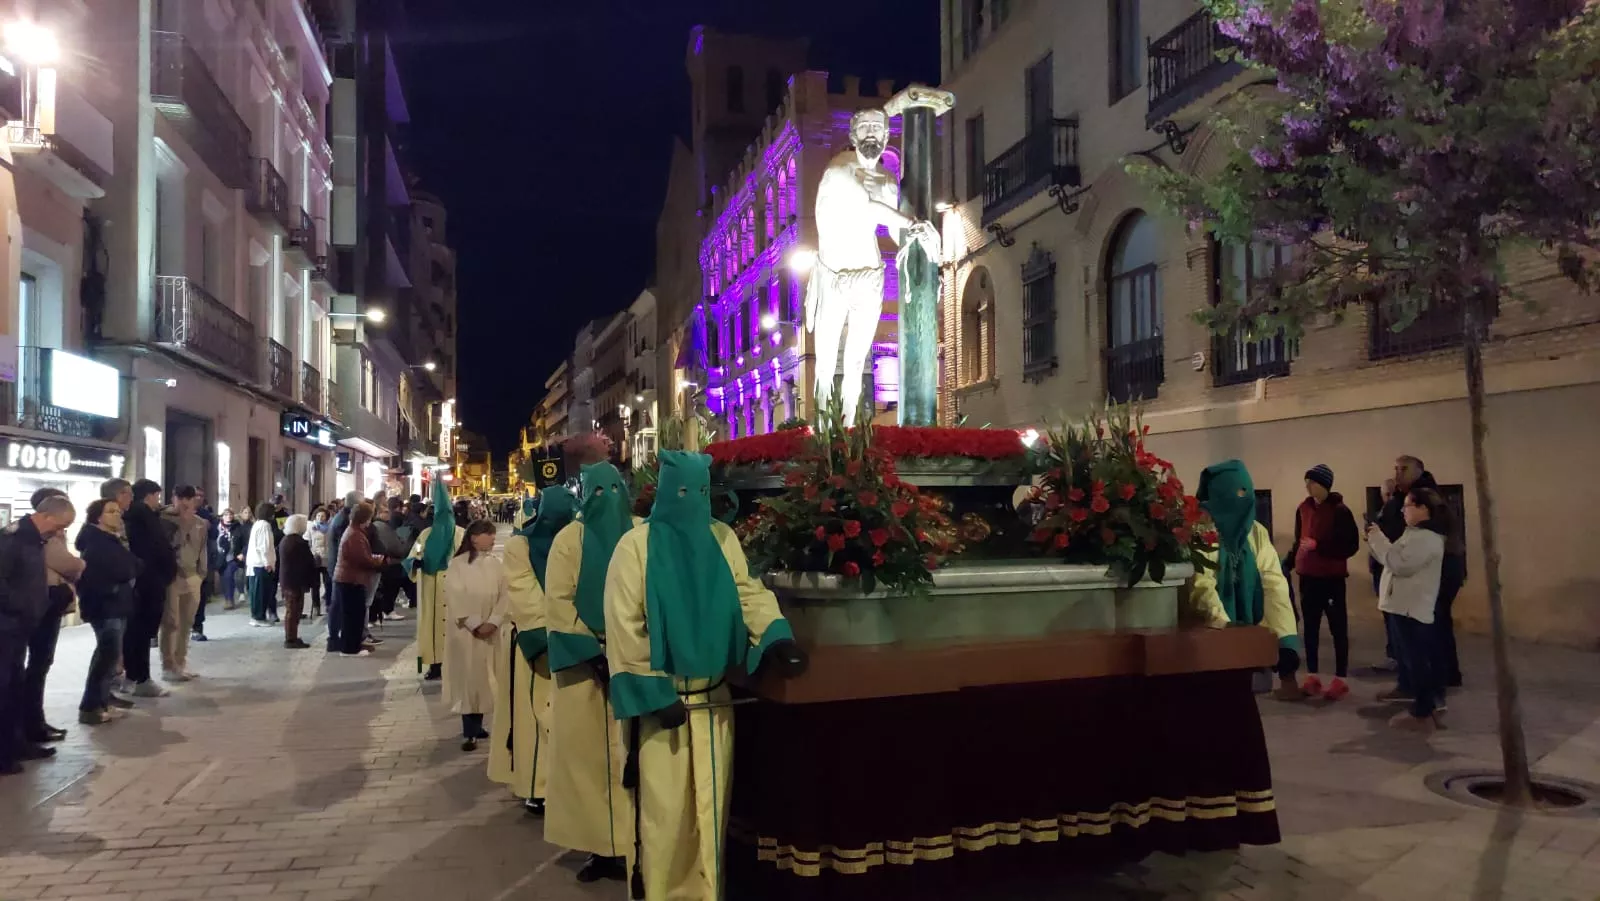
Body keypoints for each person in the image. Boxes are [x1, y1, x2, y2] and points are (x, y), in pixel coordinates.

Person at [603, 452, 807, 898]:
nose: (692, 500)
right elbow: (624, 625)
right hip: (664, 710)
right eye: (683, 491)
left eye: (699, 491)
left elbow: (746, 591)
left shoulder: (722, 537)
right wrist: (654, 693)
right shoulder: (635, 547)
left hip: (713, 704)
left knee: (711, 811)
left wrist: (775, 636)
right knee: (665, 817)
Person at [806, 107, 940, 425]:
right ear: (853, 135)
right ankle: (822, 429)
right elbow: (867, 209)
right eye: (864, 126)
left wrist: (918, 240)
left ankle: (849, 427)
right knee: (825, 361)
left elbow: (893, 232)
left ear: (886, 135)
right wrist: (913, 223)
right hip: (833, 276)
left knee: (856, 360)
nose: (871, 132)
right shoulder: (838, 170)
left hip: (869, 278)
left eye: (877, 127)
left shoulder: (887, 181)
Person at [544, 462, 636, 884]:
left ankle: (635, 842)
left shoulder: (639, 532)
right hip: (585, 669)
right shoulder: (570, 539)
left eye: (614, 489)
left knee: (631, 757)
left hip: (634, 661)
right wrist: (591, 652)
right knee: (589, 761)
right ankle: (600, 847)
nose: (607, 499)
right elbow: (559, 600)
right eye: (599, 491)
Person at [490, 489, 576, 816]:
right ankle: (537, 786)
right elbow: (524, 595)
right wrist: (549, 636)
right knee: (534, 718)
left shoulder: (576, 541)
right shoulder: (520, 546)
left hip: (573, 643)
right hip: (538, 644)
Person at [1186, 460, 1303, 699]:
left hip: (1247, 637)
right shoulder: (1201, 532)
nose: (1244, 503)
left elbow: (1273, 584)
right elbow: (1201, 585)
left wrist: (1284, 639)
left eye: (1247, 494)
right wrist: (1227, 633)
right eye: (1237, 495)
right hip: (1207, 642)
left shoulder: (1255, 532)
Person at [1372, 456, 1466, 691]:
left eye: (1403, 469)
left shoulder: (1424, 501)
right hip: (1414, 574)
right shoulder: (1408, 499)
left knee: (1424, 634)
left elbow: (1402, 556)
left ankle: (1431, 686)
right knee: (1427, 631)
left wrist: (1378, 538)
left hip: (1426, 577)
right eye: (1395, 468)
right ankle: (1435, 680)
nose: (1397, 473)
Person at [0, 494, 77, 774]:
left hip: (21, 625)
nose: (59, 533)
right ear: (45, 516)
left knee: (15, 687)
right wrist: (20, 606)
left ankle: (16, 744)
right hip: (6, 625)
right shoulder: (12, 539)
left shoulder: (35, 540)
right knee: (4, 689)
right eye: (59, 526)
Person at [1367, 486, 1449, 731]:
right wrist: (1378, 542)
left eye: (1408, 506)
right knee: (1410, 659)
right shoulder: (1414, 534)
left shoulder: (1427, 539)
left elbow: (1399, 564)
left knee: (1417, 661)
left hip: (1411, 608)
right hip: (1402, 606)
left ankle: (1423, 712)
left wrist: (1377, 539)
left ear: (1424, 509)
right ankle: (1424, 705)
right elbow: (1392, 558)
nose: (1403, 511)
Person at [1289, 464, 1361, 701]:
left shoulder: (1340, 511)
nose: (1308, 486)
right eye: (1307, 482)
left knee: (1337, 628)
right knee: (1310, 628)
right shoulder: (1303, 509)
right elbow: (1299, 540)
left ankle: (1340, 679)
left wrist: (1319, 547)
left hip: (1331, 578)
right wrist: (1286, 564)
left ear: (1324, 484)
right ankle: (1312, 676)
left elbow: (1351, 545)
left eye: (1312, 482)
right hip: (1308, 577)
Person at [24, 488, 85, 745]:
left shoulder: (45, 536)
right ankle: (31, 725)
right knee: (37, 666)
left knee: (40, 666)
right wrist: (79, 565)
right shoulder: (42, 538)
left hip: (46, 605)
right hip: (43, 606)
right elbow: (70, 564)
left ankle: (35, 722)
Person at [445, 520, 507, 751]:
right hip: (467, 634)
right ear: (474, 537)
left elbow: (505, 594)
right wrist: (474, 624)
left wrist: (494, 621)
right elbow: (455, 596)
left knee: (486, 679)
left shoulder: (496, 564)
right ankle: (469, 731)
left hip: (491, 631)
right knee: (470, 680)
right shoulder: (458, 565)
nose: (493, 538)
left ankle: (480, 723)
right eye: (488, 534)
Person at [75, 499, 138, 725]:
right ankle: (91, 707)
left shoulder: (112, 539)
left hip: (116, 603)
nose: (117, 515)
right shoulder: (96, 543)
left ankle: (102, 702)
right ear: (98, 516)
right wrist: (124, 576)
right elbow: (119, 570)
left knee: (109, 657)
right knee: (106, 658)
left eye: (118, 511)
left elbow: (132, 564)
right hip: (107, 605)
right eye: (111, 511)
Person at [123, 479, 176, 699]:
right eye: (157, 496)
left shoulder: (139, 516)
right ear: (149, 495)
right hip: (148, 581)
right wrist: (164, 574)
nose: (159, 501)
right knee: (141, 632)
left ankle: (133, 677)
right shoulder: (142, 517)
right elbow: (156, 548)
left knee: (137, 633)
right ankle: (141, 678)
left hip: (147, 580)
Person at [407, 486, 465, 681]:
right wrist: (415, 561)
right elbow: (414, 553)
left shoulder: (461, 534)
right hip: (430, 588)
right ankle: (435, 664)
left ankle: (456, 664)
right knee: (432, 627)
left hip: (455, 587)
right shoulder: (425, 535)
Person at [160, 486, 208, 682]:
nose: (185, 502)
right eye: (181, 498)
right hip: (172, 577)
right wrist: (182, 520)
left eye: (189, 498)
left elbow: (202, 548)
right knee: (171, 622)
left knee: (187, 621)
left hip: (193, 576)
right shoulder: (164, 519)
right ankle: (168, 665)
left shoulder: (200, 523)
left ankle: (180, 662)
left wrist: (202, 572)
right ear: (174, 498)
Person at [332, 503, 385, 657]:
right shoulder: (354, 535)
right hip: (351, 579)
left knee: (354, 614)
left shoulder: (354, 532)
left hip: (350, 578)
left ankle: (354, 644)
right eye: (369, 517)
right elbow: (362, 559)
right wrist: (378, 561)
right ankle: (350, 649)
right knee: (352, 616)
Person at [277, 515, 318, 649]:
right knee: (293, 611)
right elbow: (307, 561)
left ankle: (292, 637)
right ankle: (290, 639)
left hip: (289, 580)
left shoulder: (286, 540)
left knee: (292, 610)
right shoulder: (298, 542)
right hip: (294, 581)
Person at [370, 501, 410, 625]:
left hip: (390, 560)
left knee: (391, 588)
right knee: (389, 588)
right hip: (390, 561)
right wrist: (402, 548)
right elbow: (390, 545)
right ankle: (386, 610)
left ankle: (386, 610)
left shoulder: (384, 525)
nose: (389, 514)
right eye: (385, 512)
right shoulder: (380, 526)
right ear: (379, 513)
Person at [192, 488, 219, 642]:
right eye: (196, 495)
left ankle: (197, 627)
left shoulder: (206, 515)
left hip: (201, 560)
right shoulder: (180, 514)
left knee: (200, 594)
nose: (199, 498)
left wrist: (209, 527)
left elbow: (215, 534)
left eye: (201, 496)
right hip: (184, 562)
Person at [246, 502, 280, 626]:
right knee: (261, 593)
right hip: (261, 564)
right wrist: (267, 562)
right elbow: (263, 546)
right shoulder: (265, 526)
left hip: (255, 563)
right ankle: (259, 617)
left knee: (256, 592)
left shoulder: (257, 524)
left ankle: (257, 616)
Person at [225, 506, 252, 609]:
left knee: (247, 575)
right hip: (237, 555)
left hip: (247, 553)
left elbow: (249, 542)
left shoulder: (251, 526)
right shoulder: (237, 525)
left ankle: (249, 594)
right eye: (245, 512)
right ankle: (239, 593)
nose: (247, 514)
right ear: (241, 513)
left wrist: (243, 553)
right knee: (237, 574)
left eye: (249, 512)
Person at [308, 506, 331, 620]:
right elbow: (309, 542)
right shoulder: (311, 528)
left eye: (322, 516)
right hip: (315, 558)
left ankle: (329, 604)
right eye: (318, 516)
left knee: (328, 582)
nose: (320, 518)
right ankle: (316, 606)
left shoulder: (329, 528)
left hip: (326, 558)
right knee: (315, 584)